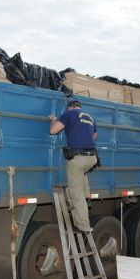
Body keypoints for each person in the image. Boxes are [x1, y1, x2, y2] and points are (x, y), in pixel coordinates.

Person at [49, 99, 98, 232]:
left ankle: (83, 225)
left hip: (78, 158)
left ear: (69, 108)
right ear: (79, 107)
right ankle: (87, 196)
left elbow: (53, 131)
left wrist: (53, 120)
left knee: (76, 193)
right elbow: (95, 136)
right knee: (82, 172)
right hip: (92, 158)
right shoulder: (89, 116)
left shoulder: (68, 114)